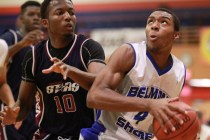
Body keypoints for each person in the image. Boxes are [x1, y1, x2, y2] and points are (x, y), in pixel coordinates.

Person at [0, 0, 106, 139]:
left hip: (85, 133)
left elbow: (101, 83)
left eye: (71, 12)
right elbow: (24, 103)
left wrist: (71, 71)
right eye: (60, 12)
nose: (68, 16)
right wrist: (14, 115)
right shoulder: (34, 56)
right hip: (49, 134)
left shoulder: (88, 47)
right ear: (45, 23)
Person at [79, 8, 188, 140]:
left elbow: (162, 118)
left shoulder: (179, 71)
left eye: (163, 22)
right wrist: (149, 104)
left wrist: (184, 132)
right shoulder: (129, 53)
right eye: (150, 22)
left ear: (175, 35)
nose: (154, 26)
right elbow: (94, 96)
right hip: (104, 136)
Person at [0, 1, 43, 140]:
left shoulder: (42, 46)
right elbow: (1, 54)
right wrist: (22, 44)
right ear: (21, 19)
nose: (36, 17)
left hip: (32, 111)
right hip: (10, 106)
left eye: (39, 15)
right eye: (31, 14)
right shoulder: (11, 37)